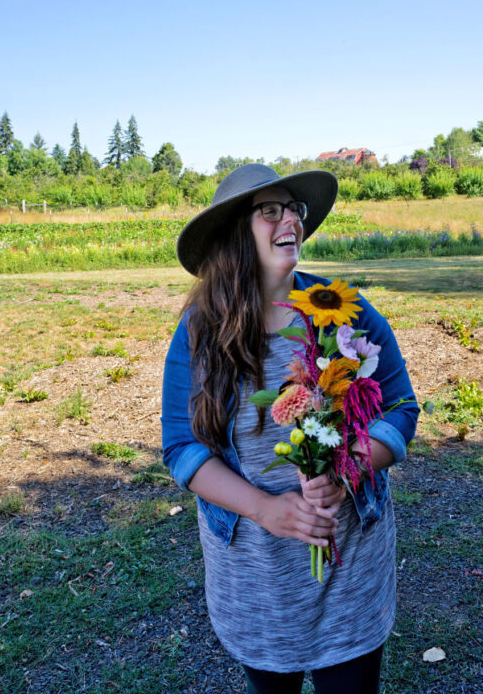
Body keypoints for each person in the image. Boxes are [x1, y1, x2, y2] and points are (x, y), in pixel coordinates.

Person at [161, 164, 419, 694]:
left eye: (294, 210)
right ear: (237, 229)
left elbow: (401, 408)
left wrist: (347, 467)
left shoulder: (342, 311)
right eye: (270, 211)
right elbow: (182, 446)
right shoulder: (199, 332)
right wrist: (266, 509)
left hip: (349, 564)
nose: (291, 222)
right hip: (254, 575)